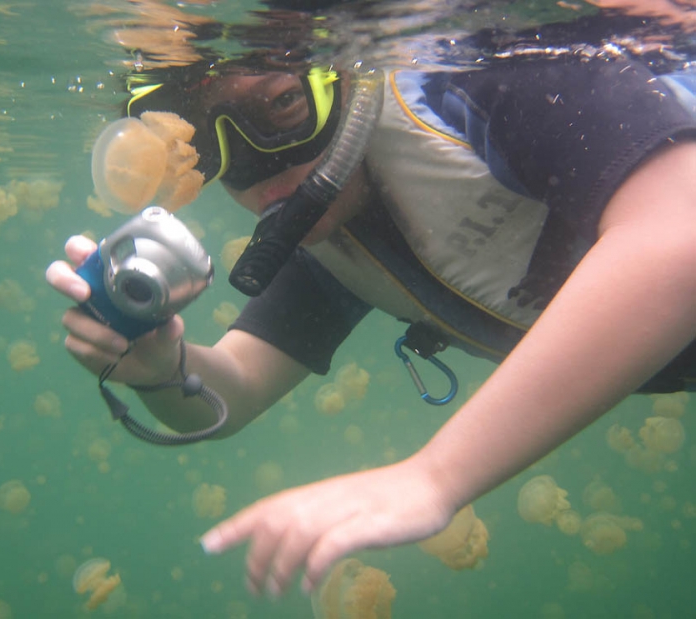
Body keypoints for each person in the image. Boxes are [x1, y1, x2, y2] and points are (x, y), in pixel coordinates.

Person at [47, 40, 696, 600]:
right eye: (200, 140)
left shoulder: (483, 77)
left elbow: (679, 235)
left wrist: (435, 475)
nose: (252, 163)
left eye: (278, 105)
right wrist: (164, 369)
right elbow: (233, 392)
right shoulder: (335, 238)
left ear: (341, 76)